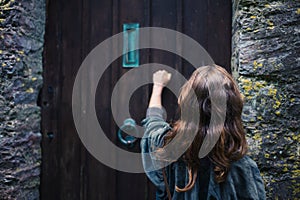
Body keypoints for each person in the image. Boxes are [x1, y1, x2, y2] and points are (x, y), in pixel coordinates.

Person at [141, 65, 266, 200]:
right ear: (233, 108)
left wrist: (158, 86)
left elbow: (152, 122)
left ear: (187, 104)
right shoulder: (242, 169)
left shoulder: (166, 147)